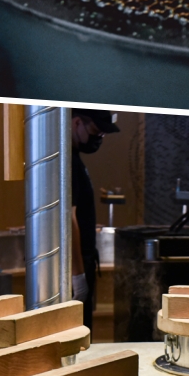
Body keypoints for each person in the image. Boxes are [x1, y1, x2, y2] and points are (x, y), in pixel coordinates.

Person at [70, 109, 120, 330]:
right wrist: (78, 277)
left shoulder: (75, 159)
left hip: (84, 262)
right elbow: (68, 221)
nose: (99, 138)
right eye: (96, 131)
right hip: (75, 269)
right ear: (77, 122)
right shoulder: (67, 163)